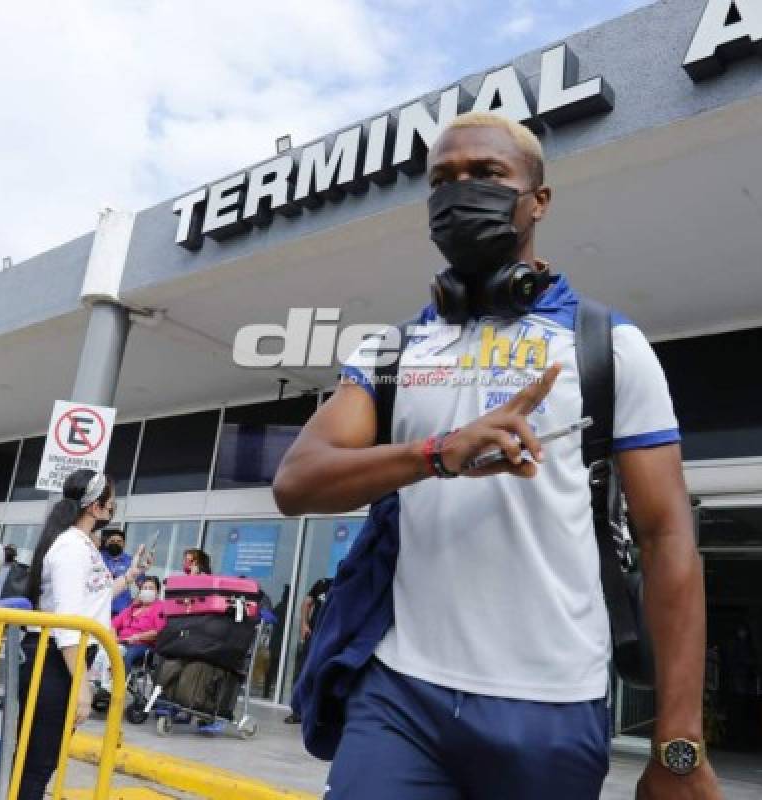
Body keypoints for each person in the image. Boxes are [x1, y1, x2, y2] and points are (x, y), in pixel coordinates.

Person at [273, 112, 721, 800]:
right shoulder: (391, 353)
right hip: (399, 697)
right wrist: (436, 453)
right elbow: (298, 481)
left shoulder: (608, 345)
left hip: (552, 706)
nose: (461, 191)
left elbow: (668, 539)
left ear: (537, 200)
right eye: (443, 180)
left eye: (486, 174)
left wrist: (679, 745)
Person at [15, 469, 145, 800]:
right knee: (38, 761)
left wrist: (131, 576)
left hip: (64, 658)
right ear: (94, 507)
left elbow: (92, 599)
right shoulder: (71, 546)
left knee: (43, 758)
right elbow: (68, 621)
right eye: (111, 500)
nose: (114, 506)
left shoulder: (83, 544)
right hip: (56, 659)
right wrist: (81, 687)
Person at [284, 575, 334, 724]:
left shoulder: (348, 587)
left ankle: (320, 714)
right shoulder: (323, 584)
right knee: (303, 672)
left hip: (333, 638)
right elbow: (306, 603)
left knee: (326, 675)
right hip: (314, 636)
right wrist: (304, 624)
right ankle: (297, 711)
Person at [111, 575, 166, 674]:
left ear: (157, 592)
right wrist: (113, 639)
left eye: (151, 588)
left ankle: (119, 686)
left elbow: (158, 632)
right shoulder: (133, 607)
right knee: (105, 651)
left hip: (142, 645)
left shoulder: (159, 607)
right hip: (122, 642)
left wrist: (137, 637)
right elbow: (113, 624)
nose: (147, 590)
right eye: (145, 588)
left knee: (127, 654)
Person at [100, 528, 139, 617]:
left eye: (119, 541)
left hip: (121, 611)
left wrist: (134, 605)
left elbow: (142, 584)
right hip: (101, 608)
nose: (115, 543)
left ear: (124, 544)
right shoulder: (98, 558)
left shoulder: (130, 561)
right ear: (107, 543)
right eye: (112, 540)